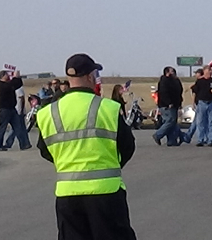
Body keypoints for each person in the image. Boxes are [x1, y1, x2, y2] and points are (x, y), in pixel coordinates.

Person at [36, 53, 137, 240]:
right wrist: (109, 164)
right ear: (90, 76)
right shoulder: (109, 108)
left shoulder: (47, 112)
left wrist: (67, 163)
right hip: (106, 192)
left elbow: (44, 149)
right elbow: (128, 146)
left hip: (68, 194)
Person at [0, 70, 31, 151]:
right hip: (4, 109)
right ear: (3, 76)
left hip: (12, 109)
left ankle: (23, 144)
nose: (8, 76)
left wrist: (18, 78)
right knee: (2, 128)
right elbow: (11, 85)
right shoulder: (1, 85)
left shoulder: (9, 84)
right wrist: (15, 77)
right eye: (7, 75)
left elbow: (18, 85)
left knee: (18, 127)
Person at [189, 66, 212, 147]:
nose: (210, 72)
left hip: (211, 103)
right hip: (201, 103)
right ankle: (201, 139)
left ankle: (210, 140)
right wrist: (193, 103)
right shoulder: (200, 81)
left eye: (211, 70)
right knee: (200, 122)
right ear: (204, 71)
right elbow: (194, 92)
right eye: (208, 70)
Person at [153, 66, 184, 146]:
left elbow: (179, 91)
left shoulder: (175, 81)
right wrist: (168, 103)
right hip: (166, 105)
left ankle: (172, 141)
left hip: (175, 104)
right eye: (171, 71)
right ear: (167, 72)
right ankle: (158, 135)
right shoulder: (164, 81)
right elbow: (164, 93)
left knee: (173, 123)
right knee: (170, 121)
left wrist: (179, 103)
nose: (173, 73)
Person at [4, 73, 30, 150]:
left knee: (15, 128)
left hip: (18, 111)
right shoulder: (12, 88)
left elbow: (22, 99)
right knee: (21, 128)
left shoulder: (18, 89)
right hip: (15, 110)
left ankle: (9, 143)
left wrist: (21, 110)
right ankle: (25, 143)